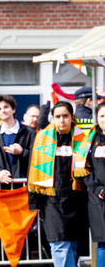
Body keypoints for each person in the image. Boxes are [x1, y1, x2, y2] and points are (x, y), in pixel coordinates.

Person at [28, 101, 89, 267]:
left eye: (65, 116)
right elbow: (33, 169)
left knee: (74, 246)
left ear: (72, 117)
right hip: (52, 202)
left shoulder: (84, 138)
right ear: (52, 118)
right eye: (57, 117)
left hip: (77, 201)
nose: (61, 120)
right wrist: (34, 201)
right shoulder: (42, 138)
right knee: (59, 245)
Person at [0, 94, 35, 188]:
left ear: (13, 109)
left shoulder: (29, 132)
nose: (3, 110)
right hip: (3, 187)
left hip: (24, 185)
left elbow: (37, 157)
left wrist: (22, 152)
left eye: (6, 107)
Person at [85, 104, 105, 267]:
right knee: (103, 243)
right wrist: (97, 188)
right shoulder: (90, 140)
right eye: (102, 116)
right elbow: (84, 168)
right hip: (98, 199)